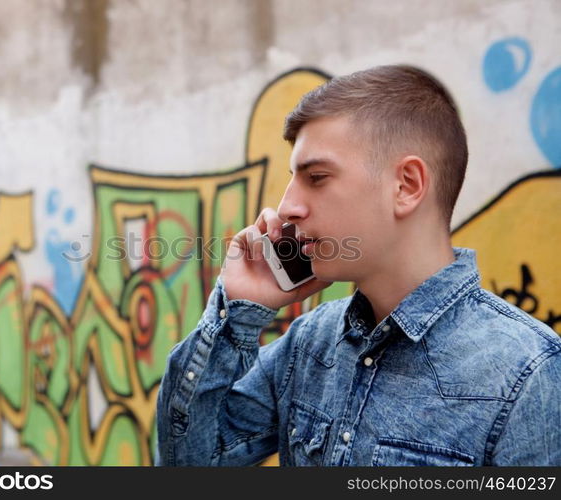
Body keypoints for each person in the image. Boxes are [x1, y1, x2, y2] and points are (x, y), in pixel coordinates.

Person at [154, 65, 561, 466]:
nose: (286, 207)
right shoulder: (309, 344)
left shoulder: (527, 373)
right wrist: (239, 310)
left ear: (406, 186)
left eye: (316, 177)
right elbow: (190, 462)